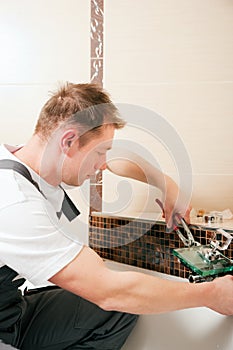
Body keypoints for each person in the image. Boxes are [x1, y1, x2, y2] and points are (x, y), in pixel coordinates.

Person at [0, 83, 232, 350]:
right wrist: (211, 294)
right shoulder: (14, 200)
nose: (101, 164)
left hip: (12, 312)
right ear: (68, 141)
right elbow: (110, 291)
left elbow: (116, 161)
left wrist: (167, 186)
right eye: (99, 152)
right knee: (117, 300)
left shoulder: (29, 162)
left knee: (117, 312)